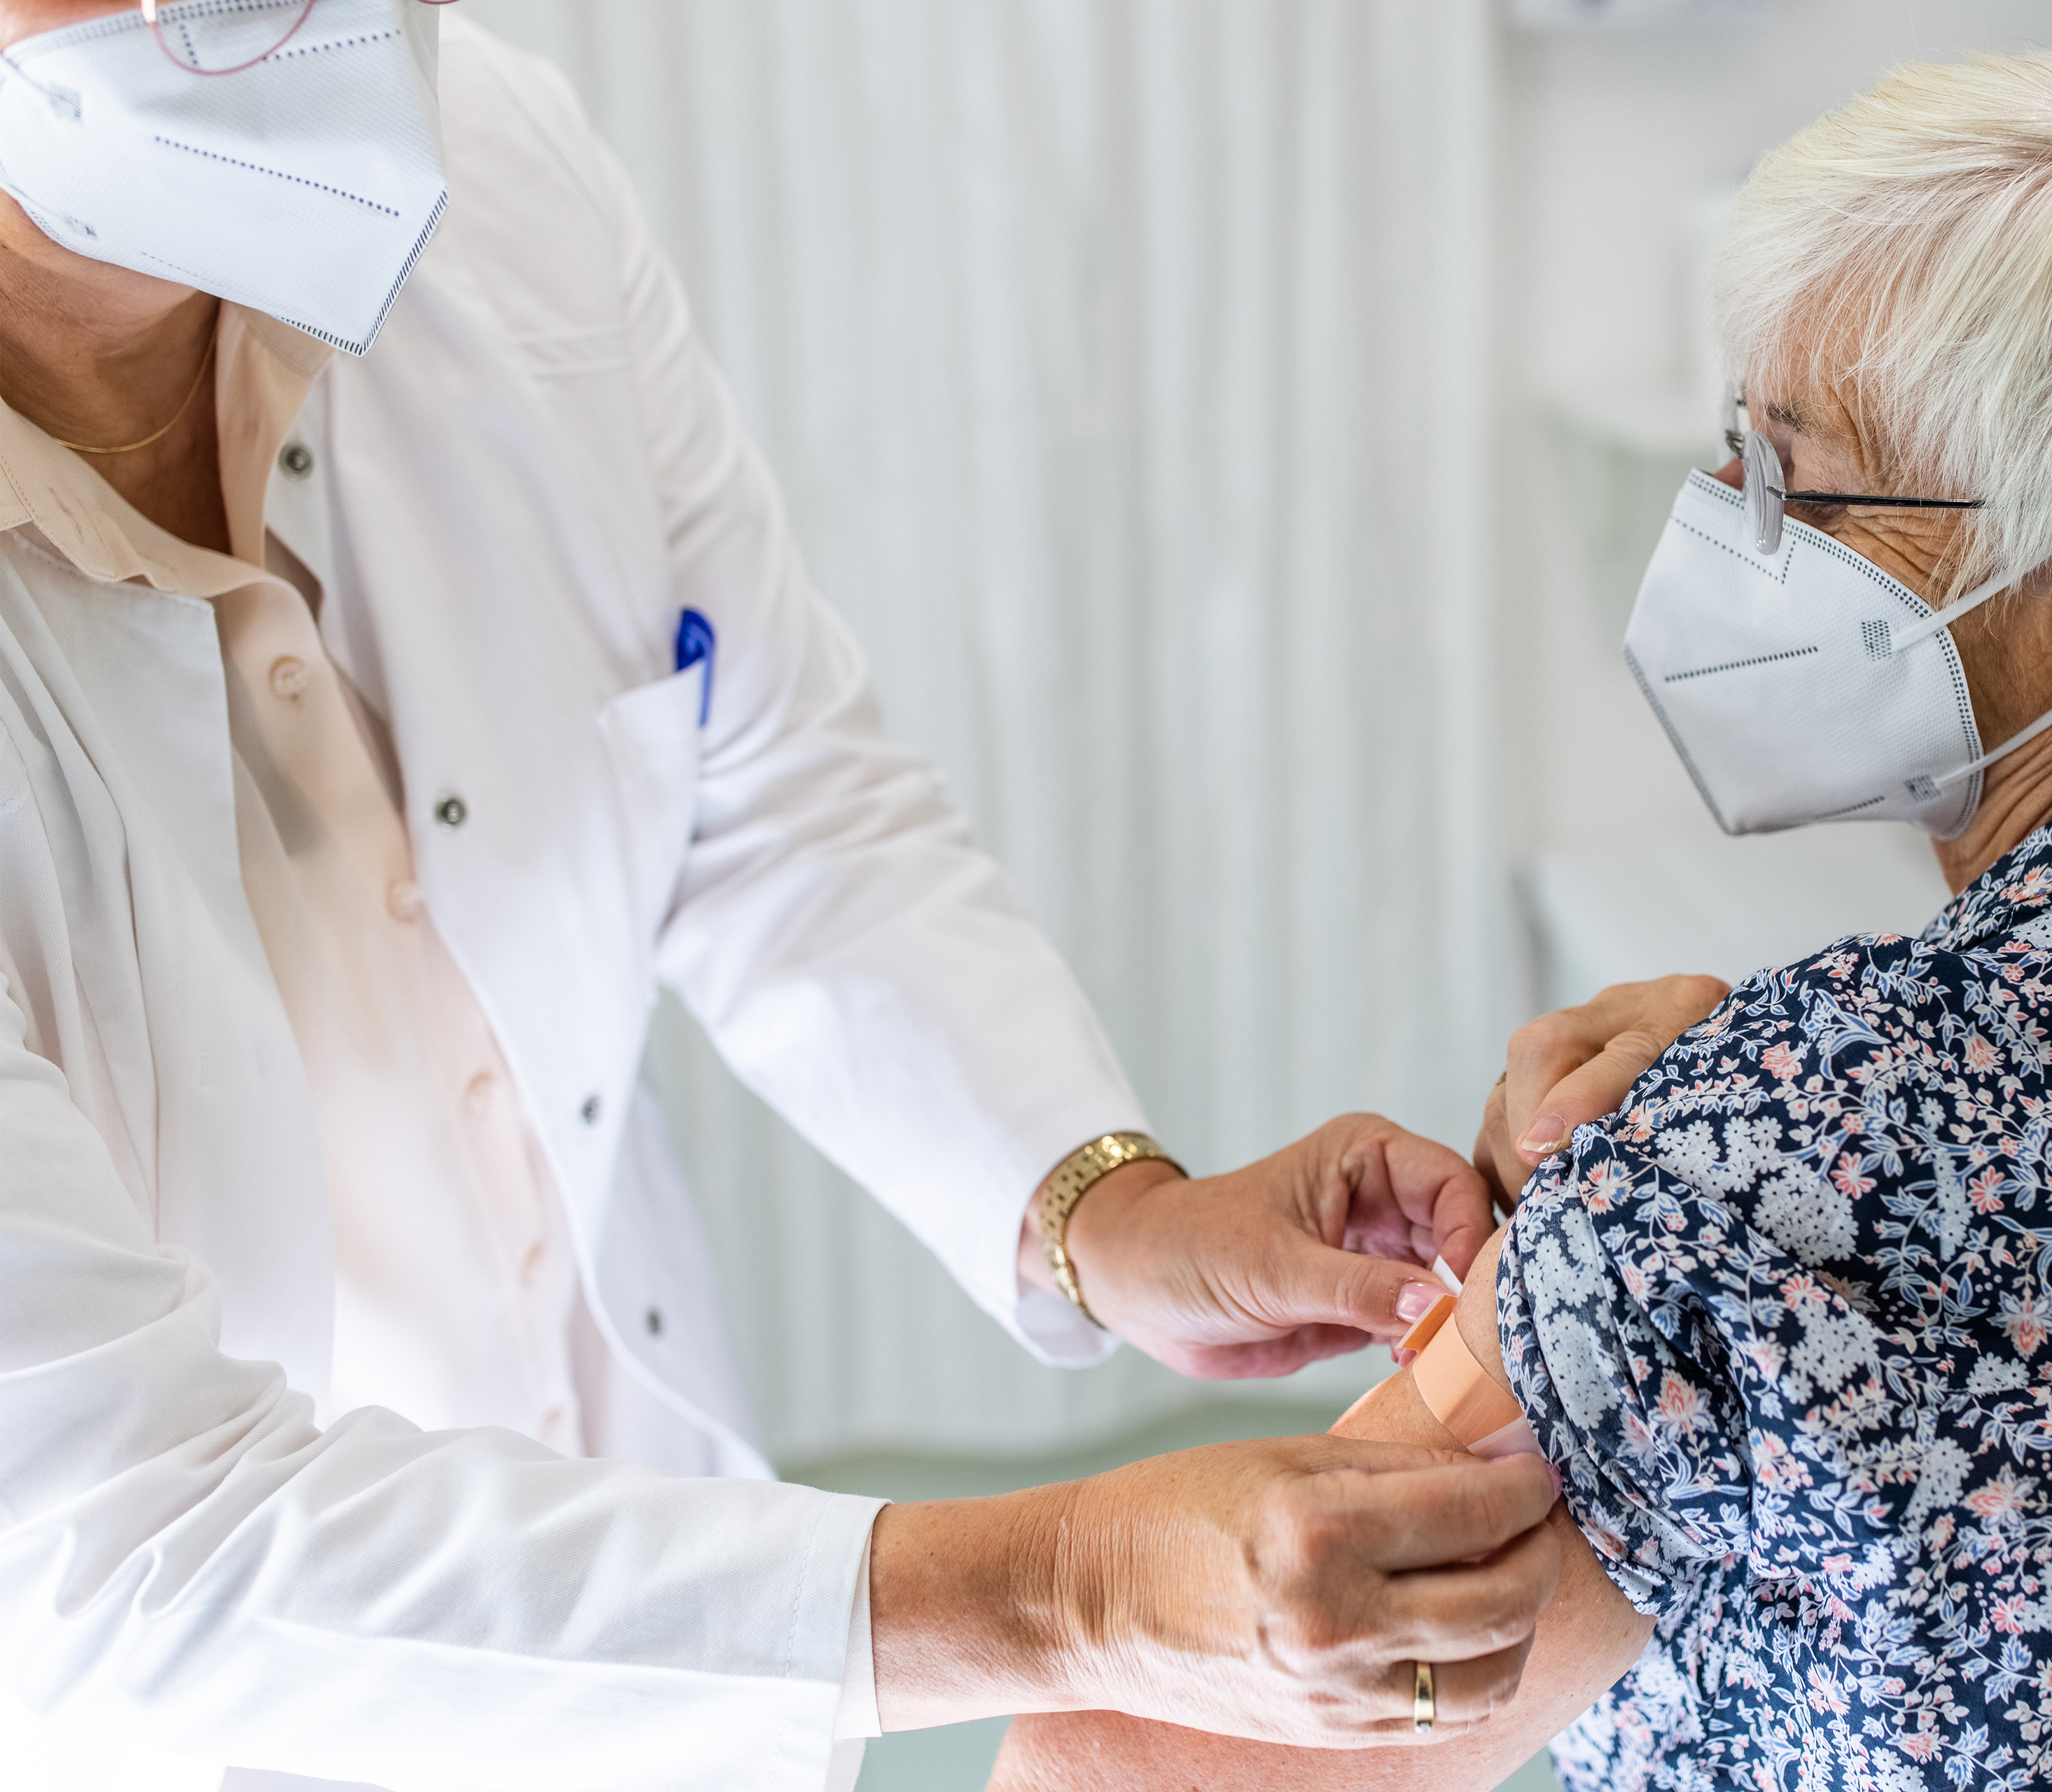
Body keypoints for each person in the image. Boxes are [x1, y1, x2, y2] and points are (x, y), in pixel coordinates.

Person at [0, 3, 1696, 1786]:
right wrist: (1068, 1584)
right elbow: (119, 1551)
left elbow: (770, 784)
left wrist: (1097, 1208)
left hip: (646, 1567)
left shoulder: (483, 177)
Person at [992, 12, 2052, 1791]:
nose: (1726, 531)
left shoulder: (1771, 1159)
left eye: (1796, 480)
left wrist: (1690, 1166)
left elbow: (1117, 1748)